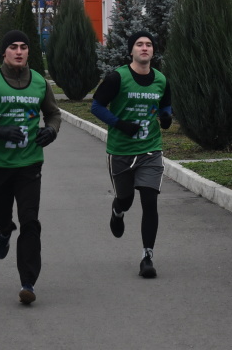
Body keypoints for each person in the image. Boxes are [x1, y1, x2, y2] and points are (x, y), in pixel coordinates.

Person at [0, 30, 61, 305]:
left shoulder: (40, 82)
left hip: (30, 163)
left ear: (29, 52)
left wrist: (51, 131)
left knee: (31, 221)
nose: (19, 51)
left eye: (24, 47)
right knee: (1, 215)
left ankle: (27, 282)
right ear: (3, 52)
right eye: (13, 47)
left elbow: (53, 113)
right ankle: (4, 230)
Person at [90, 31, 172, 279]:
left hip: (150, 150)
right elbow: (96, 106)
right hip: (121, 151)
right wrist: (120, 124)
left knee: (150, 201)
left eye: (149, 44)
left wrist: (167, 117)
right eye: (139, 44)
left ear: (153, 51)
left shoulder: (161, 80)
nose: (145, 48)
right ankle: (118, 210)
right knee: (126, 199)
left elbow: (165, 106)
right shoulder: (118, 78)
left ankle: (147, 256)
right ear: (131, 51)